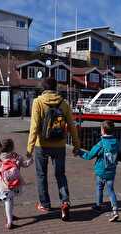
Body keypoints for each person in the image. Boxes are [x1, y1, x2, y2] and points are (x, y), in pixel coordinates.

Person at [26, 78, 81, 221]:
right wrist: (76, 145)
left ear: (43, 88)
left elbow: (34, 127)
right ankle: (65, 201)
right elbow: (72, 126)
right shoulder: (64, 103)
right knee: (60, 175)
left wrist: (29, 149)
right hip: (59, 145)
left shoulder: (38, 102)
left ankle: (45, 204)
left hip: (41, 145)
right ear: (55, 87)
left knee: (41, 175)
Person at [77, 121, 120, 222]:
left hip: (101, 171)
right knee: (111, 190)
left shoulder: (101, 144)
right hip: (111, 171)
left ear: (103, 131)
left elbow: (89, 156)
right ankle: (115, 210)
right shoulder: (117, 142)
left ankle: (98, 205)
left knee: (99, 187)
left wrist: (79, 152)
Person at [0, 139, 33, 229]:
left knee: (8, 201)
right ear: (12, 147)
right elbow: (25, 164)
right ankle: (10, 221)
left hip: (3, 184)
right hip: (14, 183)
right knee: (10, 200)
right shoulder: (16, 156)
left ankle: (10, 217)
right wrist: (30, 159)